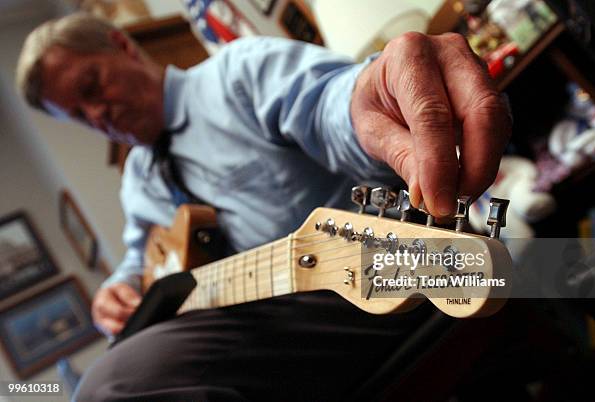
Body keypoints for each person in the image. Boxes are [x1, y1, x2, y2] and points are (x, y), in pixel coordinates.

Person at [16, 12, 511, 401]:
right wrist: (118, 289)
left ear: (121, 45)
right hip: (266, 334)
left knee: (111, 387)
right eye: (78, 115)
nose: (97, 114)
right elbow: (137, 257)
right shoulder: (138, 184)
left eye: (90, 87)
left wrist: (369, 96)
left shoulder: (239, 73)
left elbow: (326, 106)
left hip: (365, 280)